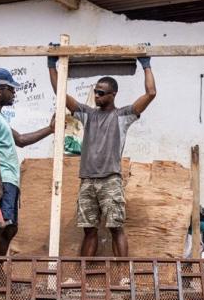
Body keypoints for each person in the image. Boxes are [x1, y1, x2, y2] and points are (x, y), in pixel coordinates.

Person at [48, 48, 157, 257]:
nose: (96, 95)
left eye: (101, 93)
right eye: (95, 91)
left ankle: (123, 279)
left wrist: (146, 65)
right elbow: (61, 94)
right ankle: (82, 279)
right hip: (87, 181)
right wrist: (51, 66)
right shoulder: (88, 114)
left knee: (116, 228)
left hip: (110, 180)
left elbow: (151, 93)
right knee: (88, 231)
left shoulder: (123, 115)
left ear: (112, 94)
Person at [0, 68, 55, 257]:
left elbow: (20, 139)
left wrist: (50, 130)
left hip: (7, 178)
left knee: (9, 228)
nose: (14, 93)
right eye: (11, 89)